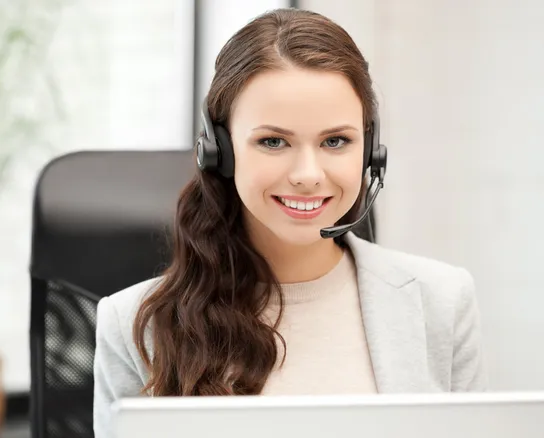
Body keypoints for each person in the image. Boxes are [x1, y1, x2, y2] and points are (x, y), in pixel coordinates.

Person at [93, 7, 486, 438]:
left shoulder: (442, 302)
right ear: (219, 150)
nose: (308, 174)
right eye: (273, 141)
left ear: (371, 151)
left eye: (336, 141)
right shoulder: (133, 323)